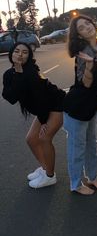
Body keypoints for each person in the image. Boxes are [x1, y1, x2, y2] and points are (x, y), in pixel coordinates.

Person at [2, 42, 66, 188]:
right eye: (17, 51)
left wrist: (44, 122)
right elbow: (10, 97)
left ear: (29, 56)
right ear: (11, 53)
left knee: (44, 138)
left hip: (56, 104)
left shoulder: (31, 72)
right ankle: (45, 169)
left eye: (24, 52)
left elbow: (41, 98)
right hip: (43, 108)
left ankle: (50, 176)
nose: (20, 54)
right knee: (31, 139)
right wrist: (18, 72)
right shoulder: (9, 74)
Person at [63, 15, 97, 195]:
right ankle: (75, 183)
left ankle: (92, 178)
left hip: (91, 104)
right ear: (78, 35)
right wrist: (89, 65)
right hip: (78, 106)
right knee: (77, 147)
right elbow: (86, 84)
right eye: (81, 27)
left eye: (88, 23)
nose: (87, 27)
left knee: (91, 144)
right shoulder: (84, 52)